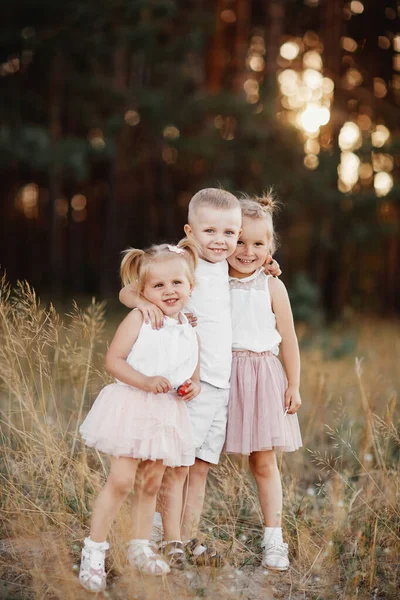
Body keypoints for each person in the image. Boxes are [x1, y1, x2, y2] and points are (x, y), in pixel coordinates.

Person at [120, 188, 280, 564]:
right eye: (211, 232)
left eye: (231, 234)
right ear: (190, 232)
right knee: (174, 465)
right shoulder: (184, 259)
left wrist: (270, 265)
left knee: (200, 468)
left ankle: (186, 537)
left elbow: (253, 260)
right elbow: (129, 289)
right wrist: (145, 303)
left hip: (221, 385)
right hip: (188, 383)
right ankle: (160, 534)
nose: (223, 242)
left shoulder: (229, 263)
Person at [78, 240, 201, 592]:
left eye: (177, 283)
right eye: (158, 285)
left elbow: (191, 370)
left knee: (151, 483)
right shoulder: (140, 318)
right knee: (120, 480)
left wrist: (192, 387)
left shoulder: (190, 326)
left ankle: (138, 545)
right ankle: (94, 550)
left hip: (166, 412)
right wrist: (145, 381)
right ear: (143, 291)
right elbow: (113, 360)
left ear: (191, 286)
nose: (169, 291)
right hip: (133, 405)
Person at [225, 193, 302, 571]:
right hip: (218, 376)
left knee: (263, 462)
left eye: (258, 243)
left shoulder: (271, 286)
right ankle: (169, 529)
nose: (248, 250)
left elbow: (288, 337)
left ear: (270, 247)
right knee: (192, 458)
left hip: (263, 376)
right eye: (239, 240)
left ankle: (274, 539)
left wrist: (294, 384)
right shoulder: (206, 278)